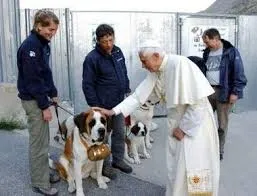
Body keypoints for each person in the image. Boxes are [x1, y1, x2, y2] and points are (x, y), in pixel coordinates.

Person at [95, 40, 220, 196]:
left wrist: (184, 129)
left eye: (143, 61)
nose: (142, 65)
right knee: (178, 166)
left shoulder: (180, 65)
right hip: (178, 123)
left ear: (155, 56)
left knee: (194, 164)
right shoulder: (157, 71)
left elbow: (199, 104)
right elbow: (138, 97)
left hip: (195, 126)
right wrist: (112, 111)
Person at [17, 9, 60, 196]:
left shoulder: (43, 44)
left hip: (39, 97)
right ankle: (39, 182)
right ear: (38, 26)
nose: (52, 33)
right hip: (33, 100)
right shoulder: (30, 47)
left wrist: (54, 93)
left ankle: (42, 173)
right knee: (39, 143)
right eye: (49, 29)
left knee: (44, 141)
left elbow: (45, 72)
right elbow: (33, 80)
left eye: (54, 30)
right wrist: (44, 106)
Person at [82, 24, 132, 179]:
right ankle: (105, 165)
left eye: (111, 40)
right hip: (102, 105)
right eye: (105, 41)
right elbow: (87, 84)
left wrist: (126, 88)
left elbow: (123, 71)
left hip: (119, 103)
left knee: (119, 132)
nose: (109, 44)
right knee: (103, 135)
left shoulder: (118, 52)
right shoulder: (92, 58)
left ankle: (118, 160)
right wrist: (94, 106)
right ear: (98, 41)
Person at [202, 28, 247, 160]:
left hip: (224, 91)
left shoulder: (231, 52)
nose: (206, 45)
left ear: (216, 39)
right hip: (207, 90)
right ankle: (206, 146)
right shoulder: (207, 52)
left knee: (222, 124)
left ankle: (219, 150)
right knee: (205, 121)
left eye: (207, 41)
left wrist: (235, 92)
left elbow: (239, 73)